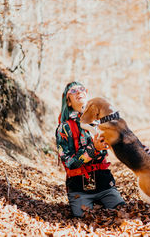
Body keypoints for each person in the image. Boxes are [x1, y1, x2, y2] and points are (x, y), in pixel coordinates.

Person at [56, 81, 126, 217]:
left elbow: (118, 144)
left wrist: (139, 149)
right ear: (68, 102)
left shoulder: (101, 122)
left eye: (81, 89)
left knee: (121, 212)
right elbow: (69, 163)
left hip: (105, 185)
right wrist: (93, 149)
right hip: (79, 189)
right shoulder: (64, 128)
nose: (79, 91)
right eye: (73, 91)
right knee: (84, 218)